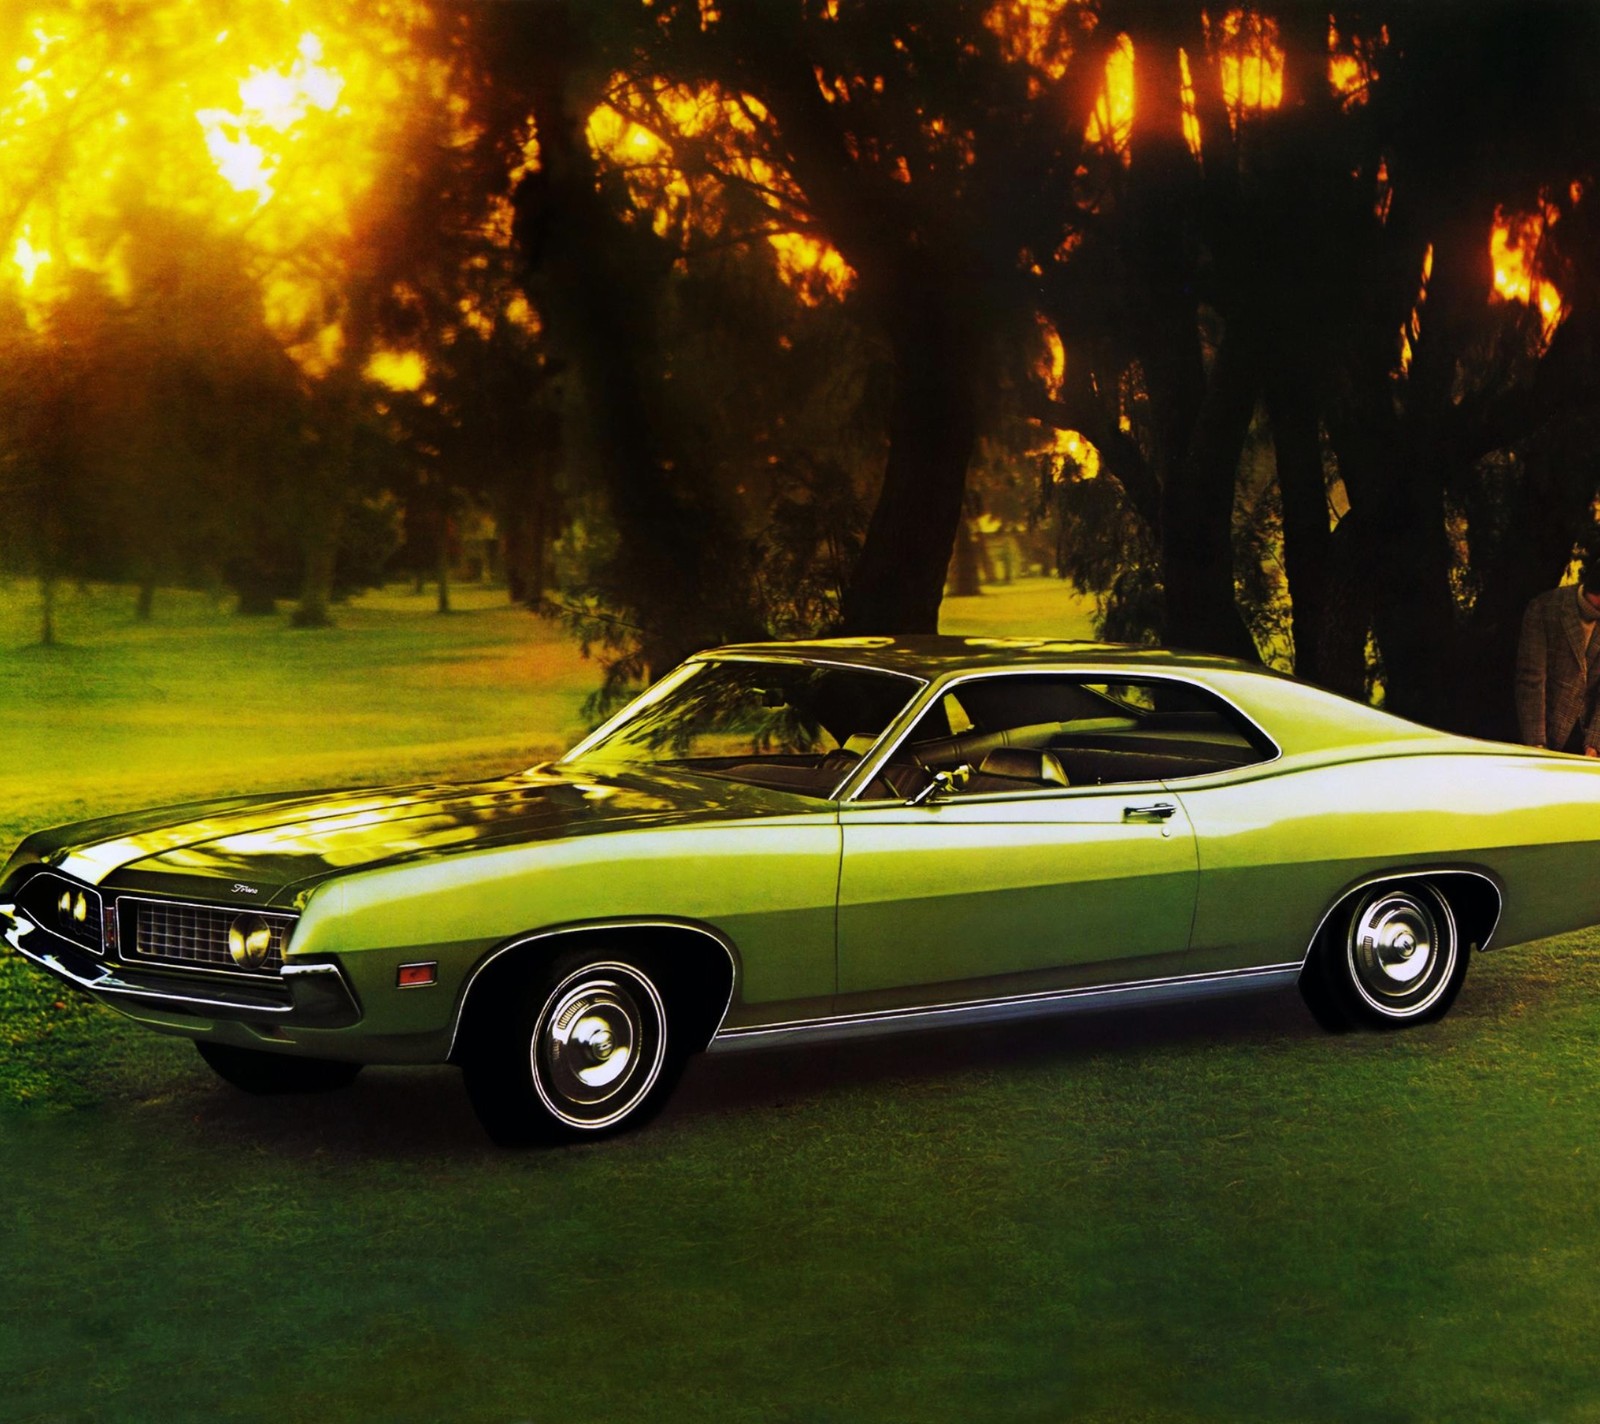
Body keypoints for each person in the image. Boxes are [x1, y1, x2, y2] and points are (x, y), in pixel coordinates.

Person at [1516, 548, 1600, 755]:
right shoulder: (1546, 608)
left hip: (1586, 734)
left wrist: (1595, 743)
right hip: (1546, 728)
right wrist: (1535, 743)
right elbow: (1531, 679)